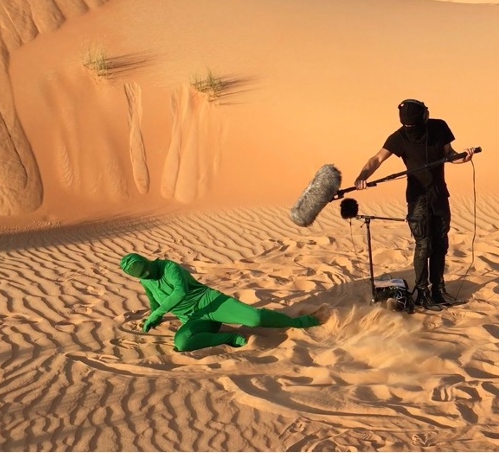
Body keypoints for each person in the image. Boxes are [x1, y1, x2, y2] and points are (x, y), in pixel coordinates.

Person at [354, 99, 474, 311]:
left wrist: (462, 158)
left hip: (439, 195)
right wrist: (363, 176)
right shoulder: (399, 137)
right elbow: (377, 159)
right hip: (417, 198)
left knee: (440, 242)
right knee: (424, 244)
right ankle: (422, 292)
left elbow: (449, 154)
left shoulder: (439, 127)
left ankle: (438, 289)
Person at [120, 253, 322, 351]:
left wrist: (158, 313)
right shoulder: (145, 279)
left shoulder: (168, 267)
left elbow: (179, 292)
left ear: (147, 260)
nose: (148, 275)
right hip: (193, 318)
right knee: (181, 343)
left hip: (211, 302)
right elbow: (154, 301)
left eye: (147, 269)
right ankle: (228, 339)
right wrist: (153, 316)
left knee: (254, 318)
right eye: (143, 275)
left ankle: (299, 322)